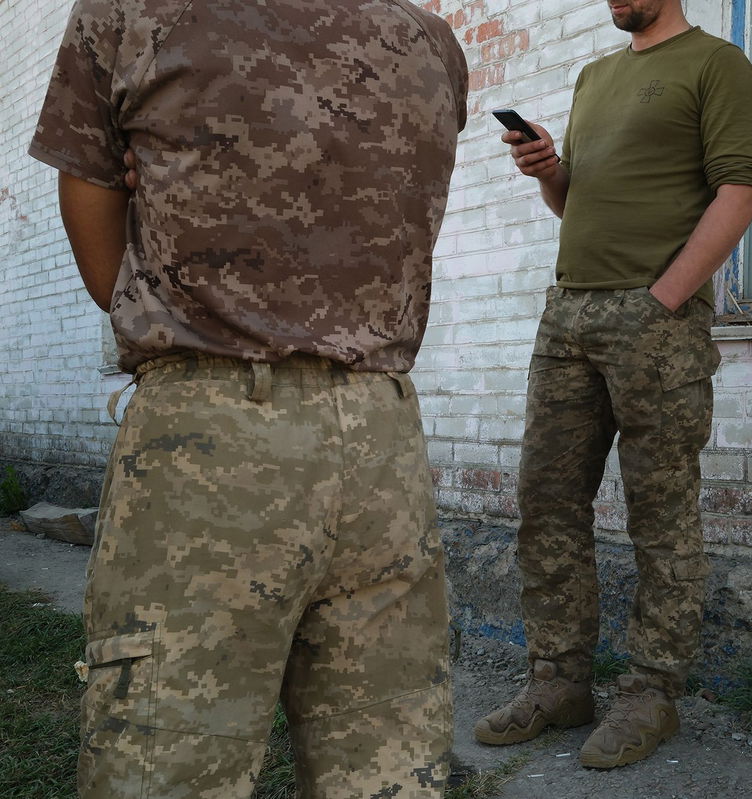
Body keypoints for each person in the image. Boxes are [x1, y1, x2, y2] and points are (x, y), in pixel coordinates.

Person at [29, 1, 467, 796]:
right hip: (382, 445)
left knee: (167, 759)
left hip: (207, 440)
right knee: (389, 760)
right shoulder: (429, 39)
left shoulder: (131, 12)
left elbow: (101, 254)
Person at [474, 0, 752, 770]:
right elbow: (578, 205)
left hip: (656, 324)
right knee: (547, 499)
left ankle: (650, 692)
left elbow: (738, 193)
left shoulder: (717, 65)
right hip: (567, 314)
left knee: (660, 512)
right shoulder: (594, 76)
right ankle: (560, 680)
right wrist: (550, 172)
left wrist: (663, 299)